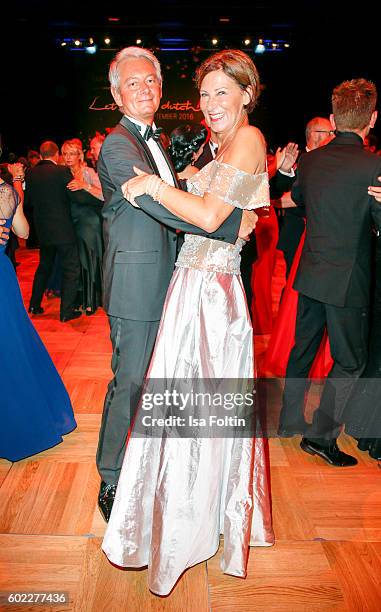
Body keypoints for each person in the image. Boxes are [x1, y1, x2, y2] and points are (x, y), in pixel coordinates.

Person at [102, 48, 274, 596]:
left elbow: (202, 216)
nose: (210, 103)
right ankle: (176, 507)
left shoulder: (246, 139)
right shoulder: (138, 144)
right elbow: (220, 210)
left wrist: (155, 185)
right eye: (204, 93)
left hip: (211, 295)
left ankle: (192, 519)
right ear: (116, 93)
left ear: (247, 93)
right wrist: (223, 210)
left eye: (222, 91)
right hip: (189, 286)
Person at [279, 79, 381, 467]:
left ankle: (289, 420)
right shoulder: (375, 165)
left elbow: (301, 201)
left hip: (312, 272)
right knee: (350, 361)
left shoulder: (313, 160)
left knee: (302, 349)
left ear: (335, 117)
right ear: (372, 118)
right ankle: (320, 438)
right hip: (347, 280)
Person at [0, 173, 76, 461]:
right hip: (4, 276)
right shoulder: (7, 190)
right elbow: (23, 232)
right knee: (15, 346)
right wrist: (15, 198)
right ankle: (36, 414)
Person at [26, 141, 81, 322]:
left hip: (43, 230)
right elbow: (74, 194)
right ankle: (66, 312)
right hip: (63, 229)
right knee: (71, 269)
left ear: (41, 155)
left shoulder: (31, 173)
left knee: (44, 266)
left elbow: (28, 202)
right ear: (56, 154)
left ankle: (34, 304)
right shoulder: (61, 172)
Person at [62, 139, 104, 315]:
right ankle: (81, 298)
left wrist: (85, 185)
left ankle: (92, 301)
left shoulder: (87, 172)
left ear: (80, 156)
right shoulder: (63, 174)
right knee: (78, 262)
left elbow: (104, 195)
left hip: (90, 224)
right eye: (65, 154)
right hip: (74, 224)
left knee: (90, 260)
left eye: (72, 153)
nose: (68, 157)